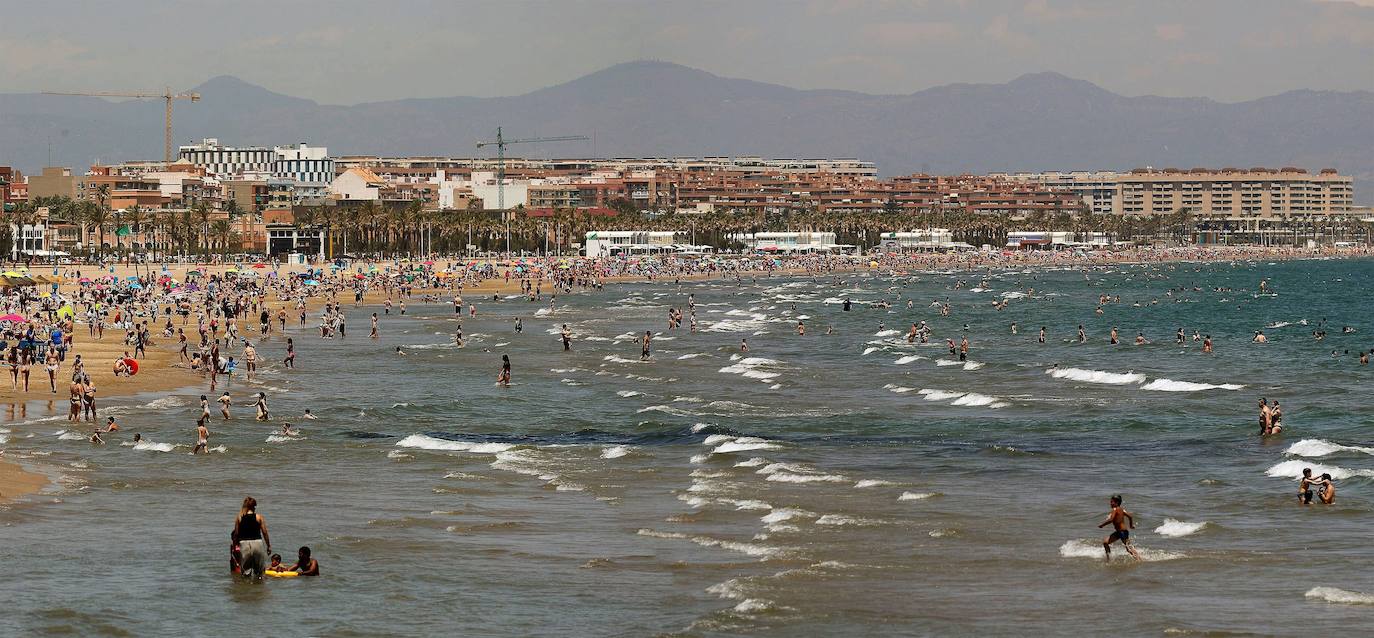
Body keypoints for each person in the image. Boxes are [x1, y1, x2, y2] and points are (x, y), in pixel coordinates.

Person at [233, 496, 271, 578]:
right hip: (257, 543)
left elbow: (236, 534)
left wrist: (235, 546)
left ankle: (247, 589)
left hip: (244, 544)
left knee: (246, 573)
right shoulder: (259, 517)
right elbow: (264, 532)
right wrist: (268, 546)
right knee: (259, 573)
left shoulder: (239, 517)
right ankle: (258, 590)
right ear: (253, 506)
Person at [1098, 494, 1141, 561]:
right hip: (1120, 532)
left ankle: (1139, 560)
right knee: (1105, 542)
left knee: (1129, 549)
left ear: (1116, 503)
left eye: (1112, 502)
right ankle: (1109, 559)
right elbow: (1130, 516)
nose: (1110, 503)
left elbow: (1111, 519)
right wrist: (1131, 525)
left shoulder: (1114, 509)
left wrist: (1102, 525)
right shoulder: (1122, 509)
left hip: (1122, 532)